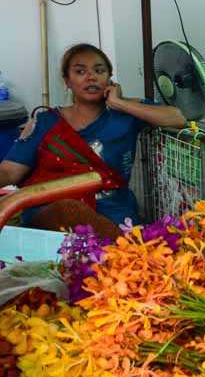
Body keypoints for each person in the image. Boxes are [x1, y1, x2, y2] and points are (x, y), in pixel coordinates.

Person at [0, 43, 186, 238]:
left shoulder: (125, 114)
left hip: (113, 215)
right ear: (67, 81)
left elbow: (177, 118)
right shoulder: (46, 121)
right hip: (53, 217)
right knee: (69, 210)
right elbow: (9, 172)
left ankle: (116, 253)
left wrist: (120, 103)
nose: (91, 77)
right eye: (80, 71)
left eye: (99, 71)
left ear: (109, 79)